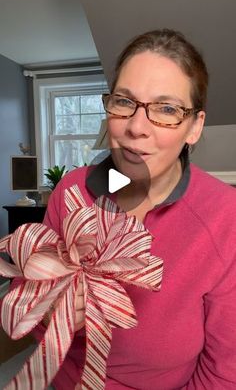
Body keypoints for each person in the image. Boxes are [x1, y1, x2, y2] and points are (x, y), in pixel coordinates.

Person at [5, 29, 236, 389]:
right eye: (124, 101)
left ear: (194, 126)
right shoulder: (73, 191)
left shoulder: (225, 218)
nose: (135, 127)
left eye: (167, 109)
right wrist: (49, 310)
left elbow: (224, 371)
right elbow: (26, 308)